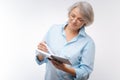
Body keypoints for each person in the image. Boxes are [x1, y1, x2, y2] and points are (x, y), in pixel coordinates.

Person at [35, 1, 95, 80]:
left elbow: (86, 72)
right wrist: (41, 53)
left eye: (80, 19)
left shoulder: (88, 43)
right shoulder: (53, 29)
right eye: (73, 16)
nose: (74, 21)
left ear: (85, 22)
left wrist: (65, 69)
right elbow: (40, 59)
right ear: (69, 14)